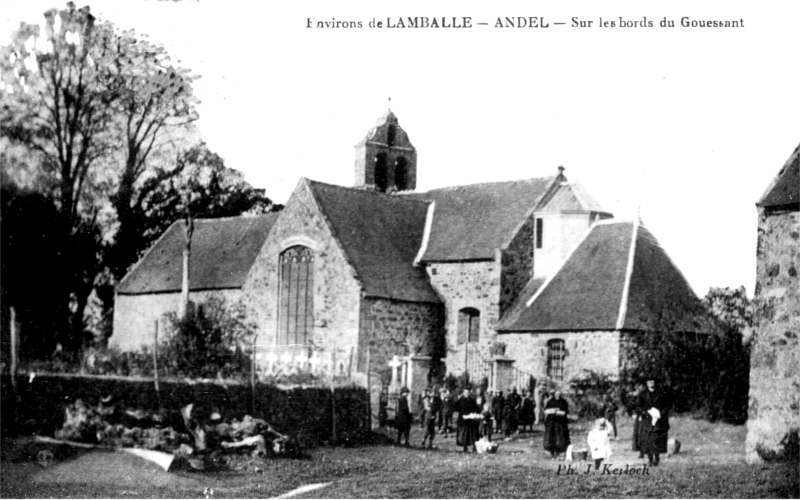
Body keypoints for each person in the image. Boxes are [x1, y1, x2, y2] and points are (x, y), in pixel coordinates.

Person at [638, 378, 670, 466]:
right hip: (647, 419)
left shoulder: (661, 393)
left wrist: (661, 413)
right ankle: (650, 459)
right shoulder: (642, 394)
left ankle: (657, 458)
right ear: (646, 383)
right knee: (648, 439)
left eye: (652, 382)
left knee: (657, 439)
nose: (651, 383)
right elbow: (638, 406)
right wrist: (645, 412)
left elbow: (667, 405)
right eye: (649, 382)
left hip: (659, 419)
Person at [543, 390, 570, 459]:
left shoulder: (563, 402)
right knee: (551, 437)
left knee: (559, 437)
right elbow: (546, 410)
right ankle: (551, 451)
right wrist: (551, 411)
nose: (558, 395)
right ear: (554, 395)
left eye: (559, 394)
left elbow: (565, 411)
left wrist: (559, 412)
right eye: (556, 394)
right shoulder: (550, 401)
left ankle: (559, 451)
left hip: (560, 422)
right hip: (551, 422)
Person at [454, 388, 481, 453]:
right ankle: (464, 448)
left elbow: (476, 408)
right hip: (463, 420)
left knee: (472, 434)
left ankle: (474, 447)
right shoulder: (460, 400)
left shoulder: (472, 400)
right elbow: (456, 408)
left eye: (468, 392)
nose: (467, 394)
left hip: (470, 420)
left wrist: (476, 412)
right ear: (463, 393)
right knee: (464, 434)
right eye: (465, 392)